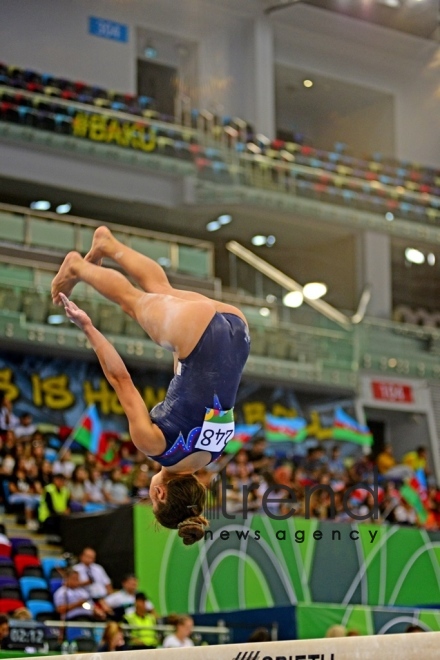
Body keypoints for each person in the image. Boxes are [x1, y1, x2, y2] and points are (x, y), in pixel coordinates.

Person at [52, 226, 250, 544]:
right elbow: (121, 379)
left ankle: (107, 244)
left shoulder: (214, 452)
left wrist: (177, 346)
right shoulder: (155, 445)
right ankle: (77, 267)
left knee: (159, 287)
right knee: (131, 301)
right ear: (159, 493)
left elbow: (197, 388)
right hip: (197, 337)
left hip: (236, 332)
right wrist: (87, 327)